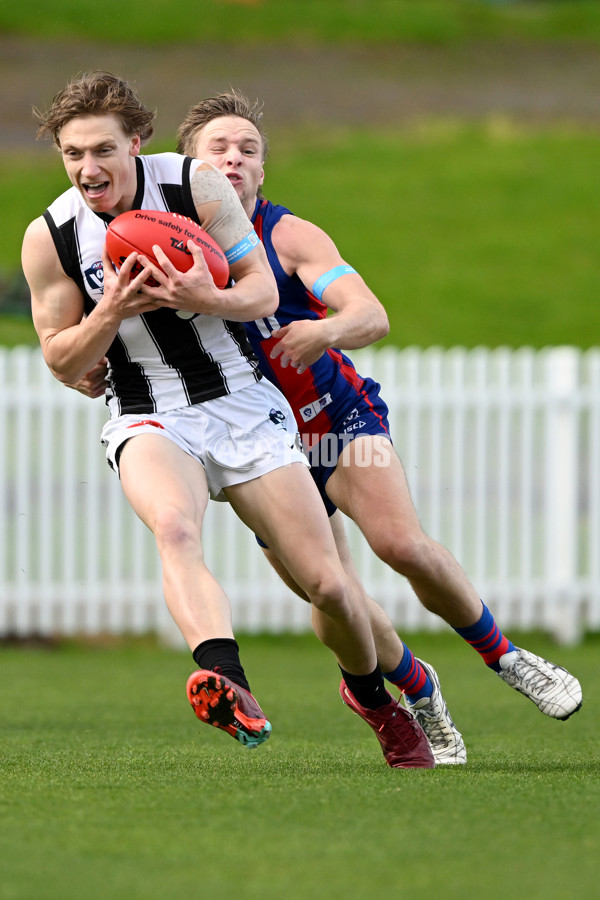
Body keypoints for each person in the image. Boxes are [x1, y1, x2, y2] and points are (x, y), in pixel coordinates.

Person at [21, 71, 436, 769]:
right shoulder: (52, 236)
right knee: (176, 528)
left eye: (102, 151)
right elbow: (62, 360)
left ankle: (372, 696)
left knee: (328, 584)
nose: (88, 170)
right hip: (148, 411)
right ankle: (226, 679)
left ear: (138, 143)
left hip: (242, 403)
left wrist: (199, 295)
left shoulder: (194, 187)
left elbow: (262, 292)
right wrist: (111, 314)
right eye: (72, 155)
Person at [174, 88, 583, 737]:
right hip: (259, 446)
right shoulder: (170, 245)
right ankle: (419, 689)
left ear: (262, 170)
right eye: (216, 149)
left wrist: (324, 332)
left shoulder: (287, 234)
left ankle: (507, 658)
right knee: (331, 592)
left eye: (248, 150)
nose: (233, 159)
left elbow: (371, 313)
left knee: (401, 543)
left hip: (334, 420)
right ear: (185, 167)